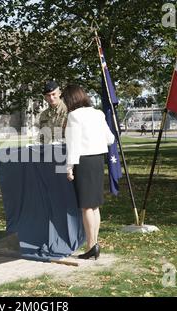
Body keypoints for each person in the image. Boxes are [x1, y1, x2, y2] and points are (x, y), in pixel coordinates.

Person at [63, 84, 115, 260]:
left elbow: (73, 144)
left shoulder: (73, 115)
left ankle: (91, 245)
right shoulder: (98, 113)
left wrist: (69, 168)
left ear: (70, 99)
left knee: (86, 206)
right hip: (98, 160)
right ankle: (94, 244)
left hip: (83, 161)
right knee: (94, 205)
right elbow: (110, 138)